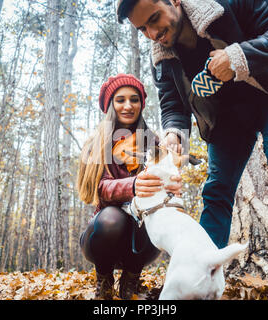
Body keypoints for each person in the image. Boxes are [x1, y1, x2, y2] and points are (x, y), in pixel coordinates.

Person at [117, 0, 268, 300]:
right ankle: (198, 279)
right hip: (226, 123)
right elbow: (172, 104)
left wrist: (239, 56)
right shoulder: (163, 57)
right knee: (216, 191)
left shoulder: (225, 3)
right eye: (142, 28)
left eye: (155, 19)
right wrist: (174, 133)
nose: (153, 33)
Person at [77, 74, 182, 299]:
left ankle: (130, 282)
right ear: (111, 105)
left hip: (141, 237)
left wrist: (172, 182)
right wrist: (133, 185)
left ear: (141, 104)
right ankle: (104, 281)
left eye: (134, 100)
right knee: (111, 218)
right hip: (103, 235)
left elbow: (167, 181)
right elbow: (99, 189)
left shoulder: (153, 142)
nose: (128, 106)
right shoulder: (96, 143)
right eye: (120, 100)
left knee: (152, 219)